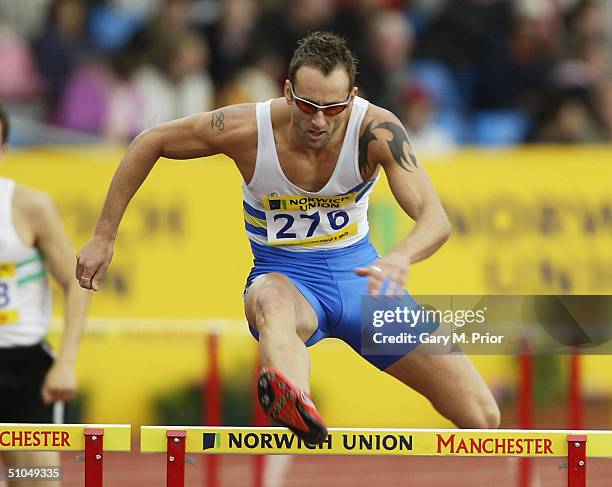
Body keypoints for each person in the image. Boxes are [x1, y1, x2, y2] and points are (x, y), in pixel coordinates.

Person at [76, 32, 500, 445]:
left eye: (332, 109)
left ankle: (294, 397)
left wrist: (401, 257)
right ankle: (294, 401)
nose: (317, 120)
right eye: (307, 105)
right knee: (270, 303)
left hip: (362, 281)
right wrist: (103, 236)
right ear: (287, 90)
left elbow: (435, 219)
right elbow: (151, 141)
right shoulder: (247, 128)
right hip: (285, 279)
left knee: (482, 416)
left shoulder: (376, 130)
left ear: (352, 98)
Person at [0, 105, 90, 486]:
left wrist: (67, 360)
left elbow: (76, 283)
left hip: (23, 371)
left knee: (34, 479)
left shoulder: (28, 206)